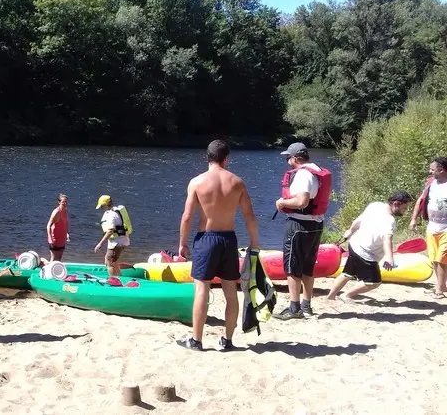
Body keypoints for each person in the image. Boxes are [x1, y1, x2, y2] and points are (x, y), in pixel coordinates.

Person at [177, 140, 259, 351]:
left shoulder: (196, 182)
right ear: (226, 159)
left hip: (206, 239)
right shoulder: (237, 182)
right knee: (230, 291)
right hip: (229, 239)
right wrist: (255, 243)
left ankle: (196, 340)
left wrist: (182, 244)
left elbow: (187, 216)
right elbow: (249, 215)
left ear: (208, 157)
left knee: (201, 288)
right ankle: (228, 340)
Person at [273, 142, 332, 320]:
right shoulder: (315, 170)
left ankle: (294, 308)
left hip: (299, 226)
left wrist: (282, 202)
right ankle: (306, 306)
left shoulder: (303, 174)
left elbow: (301, 202)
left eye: (288, 158)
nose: (287, 161)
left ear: (295, 158)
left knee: (292, 267)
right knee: (307, 267)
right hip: (315, 225)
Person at [328, 191, 413, 301]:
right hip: (366, 253)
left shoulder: (375, 205)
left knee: (347, 273)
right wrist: (389, 258)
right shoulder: (389, 220)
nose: (404, 211)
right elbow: (387, 240)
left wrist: (349, 232)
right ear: (396, 204)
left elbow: (358, 220)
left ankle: (330, 296)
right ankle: (346, 295)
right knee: (373, 282)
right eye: (404, 208)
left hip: (354, 245)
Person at [409, 157, 447, 298]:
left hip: (446, 228)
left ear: (441, 170)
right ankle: (441, 285)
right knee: (434, 258)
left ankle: (439, 289)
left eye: (432, 169)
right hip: (432, 226)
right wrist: (414, 219)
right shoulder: (431, 184)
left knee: (442, 258)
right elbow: (420, 201)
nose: (429, 171)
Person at [94, 195, 132, 276]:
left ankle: (113, 281)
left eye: (101, 206)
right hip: (122, 240)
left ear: (105, 205)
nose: (101, 208)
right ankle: (119, 278)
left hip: (116, 242)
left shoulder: (111, 215)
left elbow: (110, 231)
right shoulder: (116, 210)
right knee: (113, 261)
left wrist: (100, 244)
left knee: (108, 262)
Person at [47, 194, 70, 261]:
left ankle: (55, 271)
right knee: (54, 259)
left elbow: (65, 224)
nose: (65, 203)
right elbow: (48, 225)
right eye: (63, 202)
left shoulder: (65, 211)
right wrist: (50, 238)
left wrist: (67, 234)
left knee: (59, 259)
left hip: (62, 239)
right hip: (54, 239)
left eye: (66, 202)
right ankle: (47, 269)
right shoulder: (56, 212)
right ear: (59, 202)